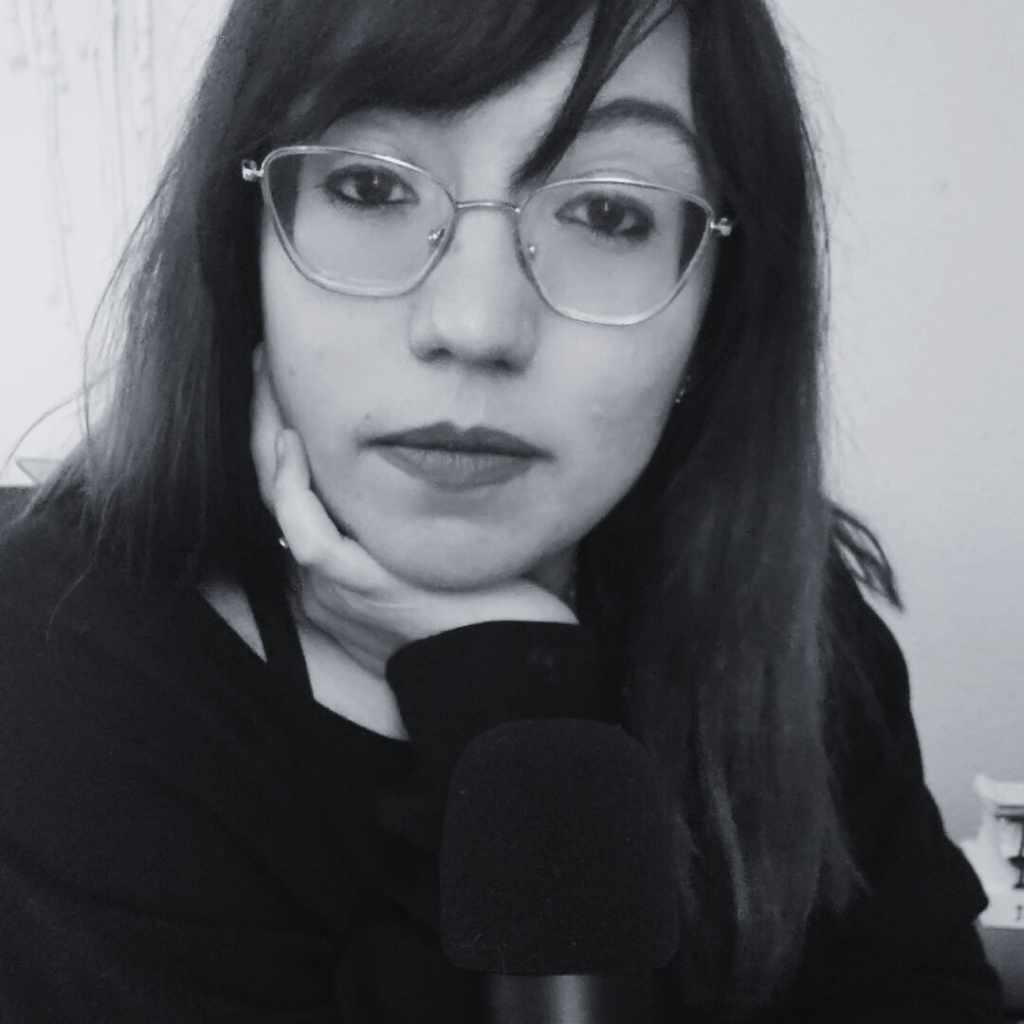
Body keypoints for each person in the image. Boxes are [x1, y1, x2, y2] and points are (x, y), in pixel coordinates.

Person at [0, 0, 1004, 1020]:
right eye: (369, 184)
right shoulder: (61, 645)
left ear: (714, 308)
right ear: (242, 244)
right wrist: (513, 702)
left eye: (608, 213)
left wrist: (507, 685)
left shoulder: (792, 622)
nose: (474, 323)